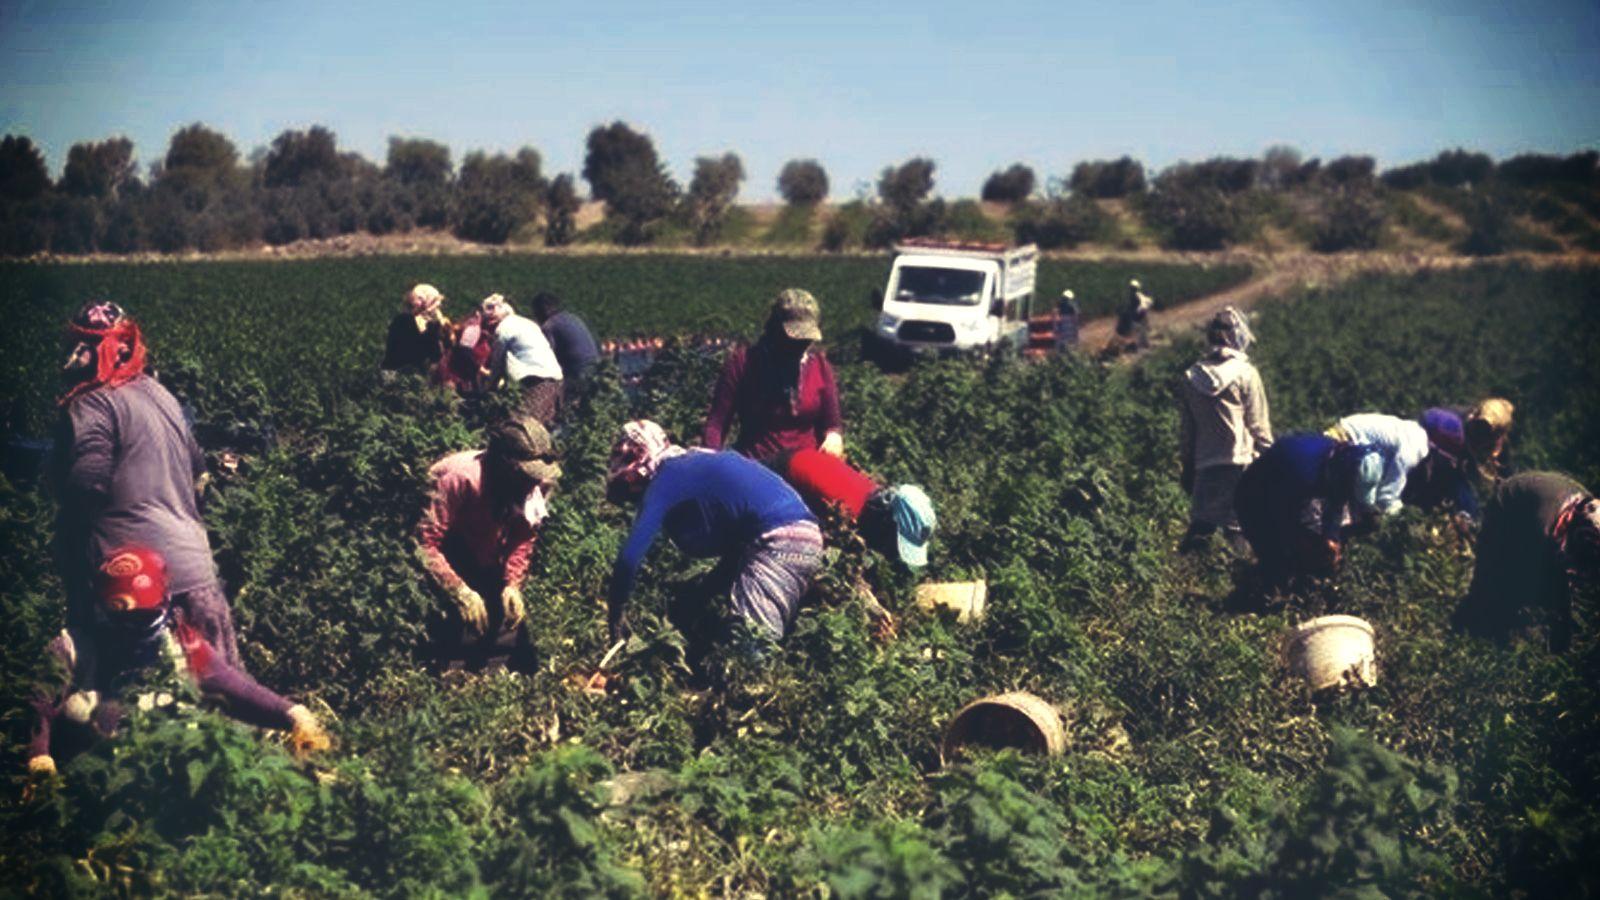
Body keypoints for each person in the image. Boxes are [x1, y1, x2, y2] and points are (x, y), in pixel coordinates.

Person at [26, 546, 329, 777]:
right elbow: (39, 705)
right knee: (82, 709)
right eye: (122, 618)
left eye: (144, 617)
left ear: (165, 606)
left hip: (162, 782)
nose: (132, 628)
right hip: (88, 786)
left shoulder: (184, 645)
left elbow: (237, 689)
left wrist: (293, 714)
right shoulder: (72, 648)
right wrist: (38, 757)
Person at [51, 301, 241, 666]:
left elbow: (87, 484)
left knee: (134, 709)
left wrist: (67, 544)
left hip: (137, 590)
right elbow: (199, 472)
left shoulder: (94, 403)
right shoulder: (162, 395)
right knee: (223, 700)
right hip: (197, 573)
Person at [604, 421, 824, 669]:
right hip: (805, 533)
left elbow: (629, 558)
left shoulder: (667, 477)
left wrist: (616, 615)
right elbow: (735, 554)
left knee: (750, 653)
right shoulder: (696, 461)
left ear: (640, 463)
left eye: (632, 489)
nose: (636, 497)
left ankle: (757, 699)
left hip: (779, 540)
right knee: (757, 636)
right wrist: (697, 599)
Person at [417, 417, 561, 672]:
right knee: (458, 630)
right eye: (525, 476)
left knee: (510, 628)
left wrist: (512, 584)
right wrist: (458, 591)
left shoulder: (533, 483)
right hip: (450, 548)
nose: (531, 484)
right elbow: (425, 544)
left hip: (487, 549)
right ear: (503, 466)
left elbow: (523, 536)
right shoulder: (458, 478)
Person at [1452, 472, 1598, 651]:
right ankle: (1472, 623)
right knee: (1497, 581)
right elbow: (1558, 584)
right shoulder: (1543, 529)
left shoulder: (1586, 511)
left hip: (1535, 504)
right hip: (1506, 510)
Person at [703, 289, 843, 463]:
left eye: (806, 340)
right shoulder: (743, 363)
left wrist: (833, 437)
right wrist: (710, 462)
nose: (800, 345)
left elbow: (832, 423)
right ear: (775, 330)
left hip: (805, 467)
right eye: (794, 339)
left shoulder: (820, 367)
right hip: (756, 465)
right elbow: (717, 424)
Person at [1177, 307, 1272, 554]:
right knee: (1238, 527)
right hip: (1239, 461)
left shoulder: (1190, 376)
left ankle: (1187, 572)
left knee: (1202, 524)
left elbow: (1188, 430)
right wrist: (1273, 460)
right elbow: (1258, 426)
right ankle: (1243, 579)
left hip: (1206, 463)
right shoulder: (1246, 374)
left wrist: (1187, 466)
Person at [1233, 432, 1385, 579]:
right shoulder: (1302, 471)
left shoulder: (1340, 461)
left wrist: (1331, 537)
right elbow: (1284, 519)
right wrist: (1308, 545)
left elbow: (1337, 501)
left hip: (1290, 495)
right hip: (1256, 499)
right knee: (1277, 561)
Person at [774, 447, 936, 568]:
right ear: (888, 523)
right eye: (892, 545)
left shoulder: (869, 494)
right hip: (777, 475)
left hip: (793, 459)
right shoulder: (846, 513)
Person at [1325, 412, 1431, 519]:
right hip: (1343, 442)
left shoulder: (1413, 431)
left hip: (1341, 435)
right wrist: (1404, 517)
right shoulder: (1416, 448)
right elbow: (1386, 497)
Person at [480, 294, 564, 427]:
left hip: (538, 381)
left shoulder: (503, 330)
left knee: (524, 426)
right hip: (555, 378)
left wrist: (487, 390)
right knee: (545, 426)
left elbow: (497, 365)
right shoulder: (526, 323)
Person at [530, 291, 600, 418]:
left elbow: (546, 356)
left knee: (562, 409)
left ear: (541, 310)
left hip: (577, 373)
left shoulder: (550, 326)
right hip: (594, 368)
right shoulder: (571, 317)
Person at [381, 283, 450, 375]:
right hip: (402, 373)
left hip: (402, 372)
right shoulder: (406, 321)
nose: (437, 308)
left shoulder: (403, 320)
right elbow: (435, 354)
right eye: (435, 304)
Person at [1109, 278, 1153, 353]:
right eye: (1132, 288)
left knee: (1140, 332)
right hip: (1137, 317)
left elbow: (1145, 304)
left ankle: (1142, 347)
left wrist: (1139, 310)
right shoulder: (1135, 296)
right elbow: (1147, 302)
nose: (1132, 290)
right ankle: (1142, 346)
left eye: (1133, 288)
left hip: (1138, 317)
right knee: (1140, 332)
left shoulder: (1137, 296)